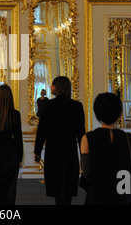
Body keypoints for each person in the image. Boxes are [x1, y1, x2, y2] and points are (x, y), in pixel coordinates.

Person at [80, 92, 131, 205]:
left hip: (98, 193)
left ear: (97, 112)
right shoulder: (129, 139)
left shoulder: (87, 138)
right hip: (123, 193)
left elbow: (87, 173)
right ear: (119, 113)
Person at [34, 76, 86, 205]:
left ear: (58, 88)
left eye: (53, 85)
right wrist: (84, 155)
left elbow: (42, 131)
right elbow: (81, 133)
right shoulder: (77, 106)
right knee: (68, 184)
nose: (50, 87)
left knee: (57, 184)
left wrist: (37, 151)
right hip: (70, 150)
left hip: (53, 150)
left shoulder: (49, 105)